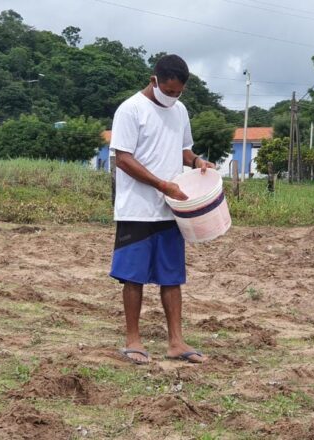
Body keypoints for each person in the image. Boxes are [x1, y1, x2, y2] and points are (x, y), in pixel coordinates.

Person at [109, 54, 213, 364]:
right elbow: (123, 159)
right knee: (133, 276)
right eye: (168, 91)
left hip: (171, 208)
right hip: (137, 210)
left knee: (172, 276)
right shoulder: (130, 110)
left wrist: (196, 161)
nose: (173, 97)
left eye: (178, 92)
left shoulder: (179, 111)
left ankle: (176, 343)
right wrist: (161, 184)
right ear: (154, 80)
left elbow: (182, 150)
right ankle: (133, 341)